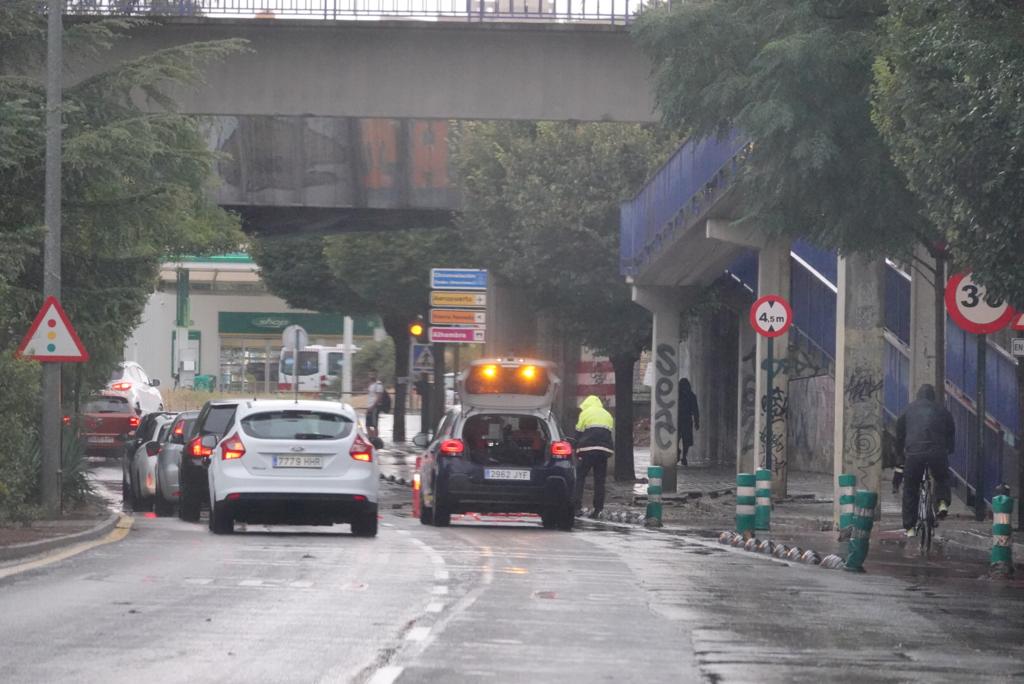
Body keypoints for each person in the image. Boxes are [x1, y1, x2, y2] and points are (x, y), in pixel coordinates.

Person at [893, 383, 955, 536]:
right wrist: (949, 448)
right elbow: (951, 431)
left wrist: (900, 454)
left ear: (918, 396)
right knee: (942, 477)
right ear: (933, 397)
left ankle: (909, 528)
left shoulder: (908, 410)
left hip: (914, 453)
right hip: (937, 452)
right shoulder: (942, 410)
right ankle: (942, 503)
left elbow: (899, 434)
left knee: (910, 487)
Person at [575, 395, 614, 517]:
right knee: (600, 481)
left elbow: (578, 432)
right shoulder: (607, 415)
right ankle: (598, 510)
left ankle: (576, 507)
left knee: (580, 477)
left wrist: (576, 448)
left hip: (587, 450)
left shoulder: (585, 413)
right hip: (603, 451)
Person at [677, 377, 700, 466]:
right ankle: (680, 454)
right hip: (682, 420)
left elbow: (695, 410)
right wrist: (696, 422)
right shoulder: (681, 395)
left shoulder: (690, 396)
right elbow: (695, 410)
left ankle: (683, 456)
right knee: (680, 439)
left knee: (685, 441)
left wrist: (697, 422)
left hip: (684, 420)